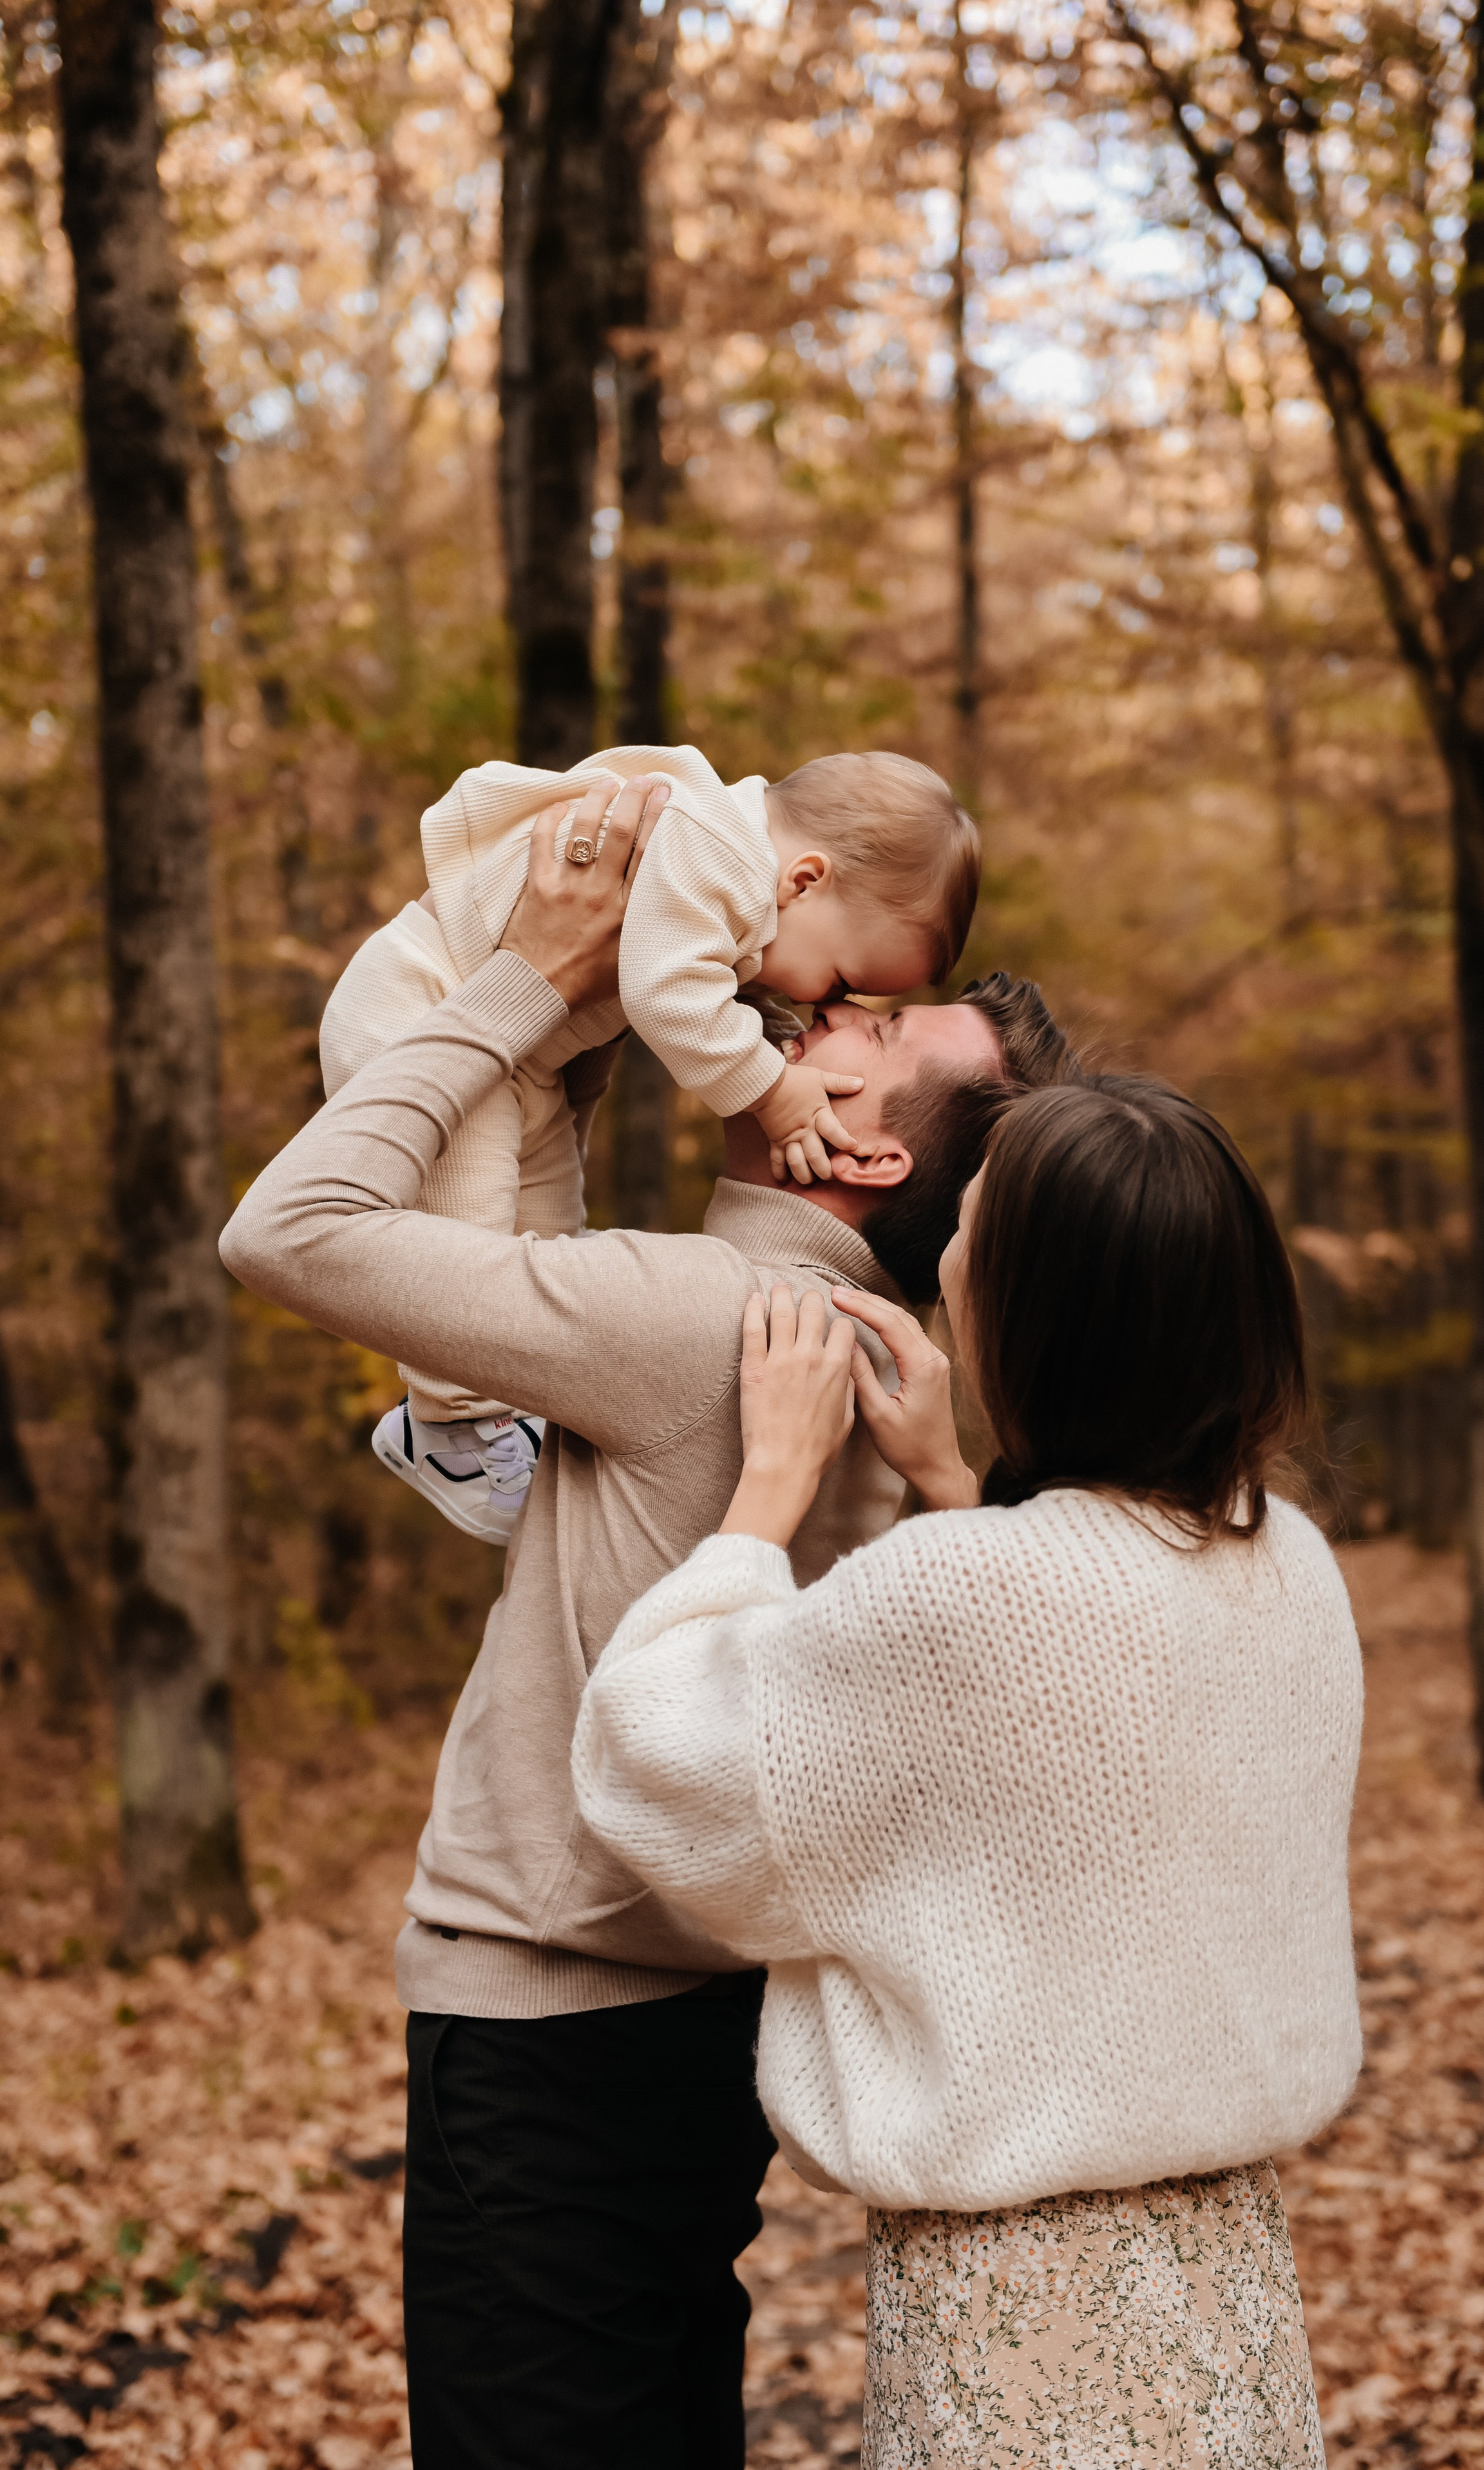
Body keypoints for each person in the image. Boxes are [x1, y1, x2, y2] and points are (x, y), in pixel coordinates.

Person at [218, 774, 1072, 2470]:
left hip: (547, 2030)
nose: (809, 1001)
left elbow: (289, 1227)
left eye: (859, 1024)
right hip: (697, 2019)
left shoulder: (699, 1315)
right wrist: (583, 1070)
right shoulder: (868, 1346)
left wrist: (525, 981)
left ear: (865, 1144)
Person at [573, 1072, 1366, 2466]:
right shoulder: (1284, 1561)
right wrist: (950, 1480)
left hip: (1021, 2308)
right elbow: (1073, 1743)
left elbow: (662, 1759)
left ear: (1040, 1315)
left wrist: (766, 1495)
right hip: (1231, 2282)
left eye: (972, 1239)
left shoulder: (960, 1598)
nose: (940, 1258)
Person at [318, 741, 980, 1539]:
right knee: (467, 1222)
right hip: (426, 1005)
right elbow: (667, 994)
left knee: (546, 1222)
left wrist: (768, 1040)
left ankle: (492, 1412)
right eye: (841, 981)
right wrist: (772, 1090)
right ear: (804, 880)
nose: (825, 1006)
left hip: (517, 1053)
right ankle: (450, 1427)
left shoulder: (738, 881)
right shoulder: (713, 854)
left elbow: (710, 986)